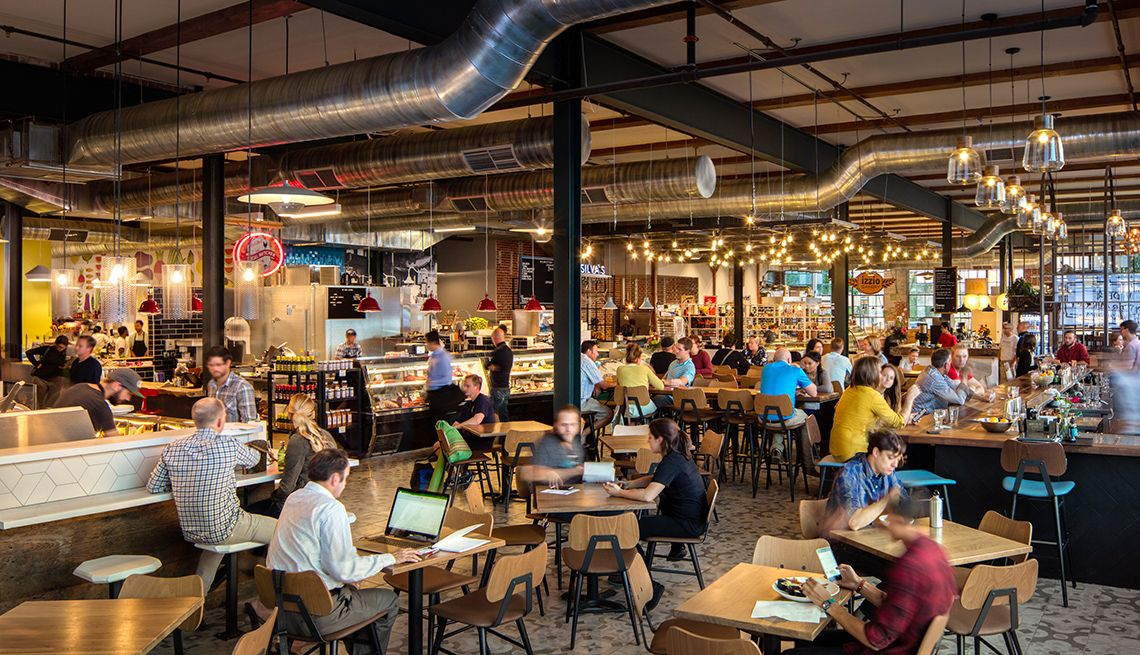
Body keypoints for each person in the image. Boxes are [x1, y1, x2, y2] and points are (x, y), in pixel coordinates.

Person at [268, 448, 419, 654]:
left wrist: (348, 577)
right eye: (345, 479)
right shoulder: (331, 508)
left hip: (282, 611)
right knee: (388, 601)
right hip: (317, 614)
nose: (345, 484)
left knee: (353, 594)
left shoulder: (295, 497)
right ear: (335, 478)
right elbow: (344, 570)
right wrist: (391, 558)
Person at [790, 495, 956, 655]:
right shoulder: (933, 550)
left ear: (898, 520)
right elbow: (899, 608)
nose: (882, 524)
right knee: (806, 640)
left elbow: (875, 640)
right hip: (905, 641)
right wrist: (859, 584)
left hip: (892, 649)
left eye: (887, 518)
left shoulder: (909, 567)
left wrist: (828, 603)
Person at [146, 397, 277, 591]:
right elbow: (254, 459)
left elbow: (154, 486)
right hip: (226, 527)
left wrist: (185, 479)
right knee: (283, 531)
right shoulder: (227, 445)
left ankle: (196, 601)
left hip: (192, 531)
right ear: (220, 421)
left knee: (214, 547)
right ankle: (273, 594)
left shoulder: (172, 448)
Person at [603, 418, 706, 610]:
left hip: (685, 524)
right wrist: (629, 484)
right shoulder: (677, 456)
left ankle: (650, 584)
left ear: (661, 440)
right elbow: (656, 478)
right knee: (630, 525)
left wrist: (619, 493)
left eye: (650, 437)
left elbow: (648, 495)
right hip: (688, 519)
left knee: (627, 529)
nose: (648, 441)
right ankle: (624, 569)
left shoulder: (672, 461)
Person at [252, 394, 338, 518]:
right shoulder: (326, 436)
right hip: (325, 502)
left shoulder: (298, 440)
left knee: (250, 510)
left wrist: (274, 496)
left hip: (301, 504)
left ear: (289, 414)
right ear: (313, 414)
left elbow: (288, 486)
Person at [826, 429, 907, 530]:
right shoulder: (850, 472)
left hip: (869, 534)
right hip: (840, 537)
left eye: (898, 459)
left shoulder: (887, 471)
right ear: (876, 452)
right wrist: (886, 499)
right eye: (890, 457)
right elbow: (854, 523)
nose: (895, 464)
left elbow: (903, 501)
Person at [829, 359, 907, 462]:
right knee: (890, 453)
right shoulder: (871, 395)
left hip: (836, 449)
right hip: (853, 453)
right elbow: (899, 423)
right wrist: (910, 399)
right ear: (872, 374)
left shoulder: (849, 390)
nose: (881, 375)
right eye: (880, 372)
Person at [55, 367, 143, 436]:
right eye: (128, 393)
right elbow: (115, 443)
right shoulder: (99, 405)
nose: (128, 399)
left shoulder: (81, 387)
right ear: (116, 385)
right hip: (67, 450)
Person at [524, 405, 587, 486]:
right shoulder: (547, 443)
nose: (568, 429)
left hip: (575, 490)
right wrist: (547, 474)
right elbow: (528, 473)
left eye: (572, 424)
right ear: (556, 425)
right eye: (564, 425)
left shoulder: (577, 445)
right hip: (550, 491)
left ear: (578, 426)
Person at [759, 348, 817, 425]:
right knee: (807, 417)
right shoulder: (796, 370)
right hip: (785, 418)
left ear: (774, 359)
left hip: (764, 418)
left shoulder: (765, 369)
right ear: (789, 360)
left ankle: (776, 433)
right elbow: (813, 393)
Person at [205, 345, 258, 423]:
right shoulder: (211, 384)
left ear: (228, 363)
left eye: (218, 365)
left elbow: (250, 423)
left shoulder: (242, 387)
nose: (214, 369)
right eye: (211, 365)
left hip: (234, 431)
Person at [912, 347, 971, 415]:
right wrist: (964, 378)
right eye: (950, 361)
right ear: (946, 365)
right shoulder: (934, 379)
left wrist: (977, 395)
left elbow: (956, 386)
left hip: (931, 412)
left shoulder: (935, 371)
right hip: (920, 416)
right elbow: (960, 400)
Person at [616, 342, 664, 420]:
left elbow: (619, 385)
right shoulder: (644, 369)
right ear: (638, 358)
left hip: (625, 408)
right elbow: (661, 386)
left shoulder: (619, 369)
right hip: (643, 408)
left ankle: (632, 425)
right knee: (657, 404)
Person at [425, 330, 461, 423]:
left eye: (427, 342)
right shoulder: (434, 355)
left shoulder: (443, 356)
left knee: (440, 424)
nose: (426, 345)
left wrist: (431, 383)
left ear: (433, 342)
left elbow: (447, 379)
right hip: (435, 397)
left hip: (441, 397)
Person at [26, 335, 69, 407]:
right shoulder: (48, 349)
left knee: (53, 400)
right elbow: (29, 352)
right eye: (58, 347)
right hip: (40, 377)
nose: (60, 349)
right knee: (40, 400)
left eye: (62, 347)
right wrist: (36, 364)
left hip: (54, 379)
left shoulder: (66, 353)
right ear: (55, 344)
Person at [580, 340, 615, 428]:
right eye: (596, 351)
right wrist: (618, 384)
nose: (598, 354)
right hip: (582, 402)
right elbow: (604, 385)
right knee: (609, 413)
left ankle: (585, 427)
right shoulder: (588, 362)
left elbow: (594, 379)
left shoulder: (579, 358)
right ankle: (584, 433)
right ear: (589, 351)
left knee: (595, 412)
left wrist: (596, 385)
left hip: (571, 400)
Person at [654, 337, 697, 407]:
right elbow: (665, 377)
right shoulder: (673, 363)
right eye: (676, 348)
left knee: (657, 400)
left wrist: (662, 382)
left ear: (688, 351)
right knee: (646, 397)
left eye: (679, 349)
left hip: (676, 398)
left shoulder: (690, 367)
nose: (676, 351)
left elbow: (681, 382)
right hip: (665, 393)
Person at [487, 327, 513, 421]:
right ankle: (506, 429)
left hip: (498, 388)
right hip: (506, 387)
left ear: (495, 338)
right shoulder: (509, 351)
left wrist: (490, 366)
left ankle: (497, 430)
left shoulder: (498, 351)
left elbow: (490, 366)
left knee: (494, 413)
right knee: (503, 413)